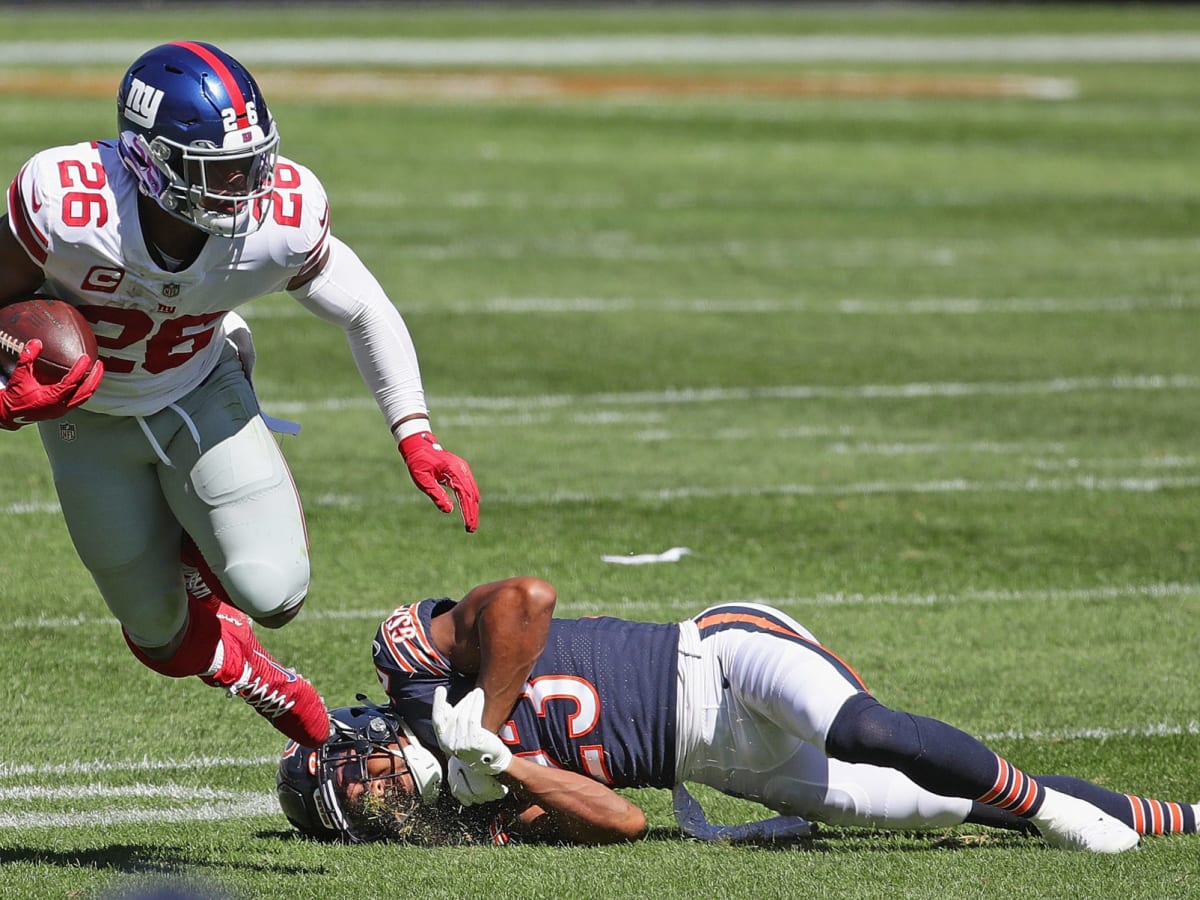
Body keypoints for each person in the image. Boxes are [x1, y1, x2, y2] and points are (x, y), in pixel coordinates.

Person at [0, 41, 480, 748]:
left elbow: (363, 308)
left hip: (198, 386)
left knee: (275, 592)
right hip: (87, 421)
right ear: (144, 158)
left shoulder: (279, 218)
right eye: (215, 169)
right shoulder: (69, 204)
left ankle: (205, 556)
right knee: (161, 638)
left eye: (250, 162)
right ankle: (242, 665)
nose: (242, 185)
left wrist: (415, 432)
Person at [276, 577, 1198, 850]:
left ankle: (1057, 813)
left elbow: (527, 598)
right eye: (366, 809)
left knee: (867, 731)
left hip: (718, 656)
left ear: (364, 734)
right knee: (937, 806)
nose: (383, 796)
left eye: (362, 778)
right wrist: (511, 767)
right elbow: (625, 821)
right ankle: (1179, 818)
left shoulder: (416, 671)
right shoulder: (467, 817)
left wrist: (484, 719)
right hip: (718, 761)